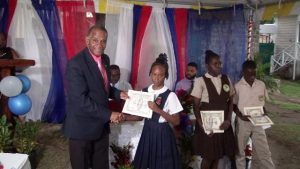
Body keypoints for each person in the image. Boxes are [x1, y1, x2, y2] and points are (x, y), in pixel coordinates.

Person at [62, 25, 128, 169]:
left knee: (101, 165)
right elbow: (80, 100)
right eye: (95, 40)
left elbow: (103, 86)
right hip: (82, 128)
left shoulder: (105, 59)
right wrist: (109, 114)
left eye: (103, 41)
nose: (100, 44)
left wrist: (118, 93)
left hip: (101, 127)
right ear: (87, 40)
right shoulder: (76, 64)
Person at [132, 53, 183, 169]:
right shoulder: (144, 91)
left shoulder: (170, 95)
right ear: (150, 73)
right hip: (147, 131)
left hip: (162, 133)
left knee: (162, 164)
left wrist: (158, 110)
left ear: (166, 76)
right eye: (154, 74)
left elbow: (176, 121)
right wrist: (124, 117)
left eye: (161, 75)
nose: (157, 78)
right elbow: (140, 116)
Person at [191, 50, 235, 169]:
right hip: (207, 127)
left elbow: (231, 102)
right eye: (215, 64)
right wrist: (203, 126)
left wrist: (228, 120)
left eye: (219, 63)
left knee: (217, 156)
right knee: (208, 157)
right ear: (207, 65)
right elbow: (196, 106)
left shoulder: (226, 79)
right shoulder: (200, 81)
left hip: (223, 125)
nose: (218, 66)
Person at [234, 60, 275, 169]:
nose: (252, 76)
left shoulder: (261, 85)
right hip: (243, 123)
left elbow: (262, 103)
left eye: (254, 73)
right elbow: (233, 105)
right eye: (249, 73)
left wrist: (264, 111)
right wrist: (241, 116)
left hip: (258, 122)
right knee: (240, 152)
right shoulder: (238, 86)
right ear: (243, 72)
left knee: (264, 151)